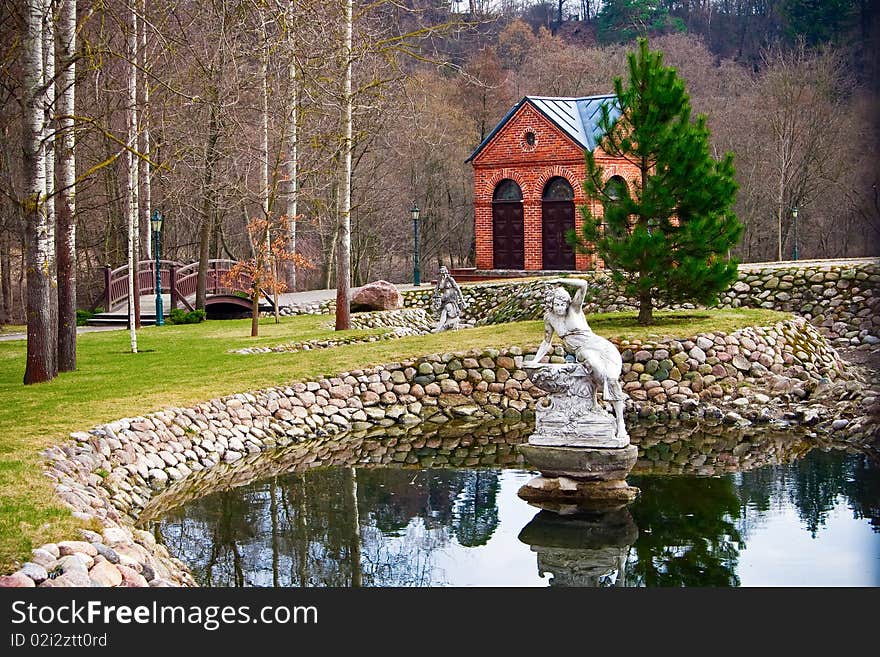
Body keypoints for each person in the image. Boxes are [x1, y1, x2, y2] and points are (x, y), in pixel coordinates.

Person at [530, 278, 629, 439]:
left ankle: (620, 423)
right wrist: (535, 361)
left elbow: (583, 284)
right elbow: (546, 342)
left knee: (611, 378)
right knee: (594, 366)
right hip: (583, 351)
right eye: (557, 305)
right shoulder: (549, 318)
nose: (560, 308)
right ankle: (593, 407)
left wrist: (560, 280)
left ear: (568, 303)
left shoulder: (574, 309)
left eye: (563, 304)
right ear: (551, 305)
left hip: (601, 346)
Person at [432, 266, 466, 332]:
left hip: (452, 298)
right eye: (441, 271)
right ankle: (443, 326)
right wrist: (436, 295)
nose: (442, 273)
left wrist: (462, 300)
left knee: (447, 310)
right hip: (444, 299)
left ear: (446, 271)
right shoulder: (439, 280)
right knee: (444, 311)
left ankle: (441, 327)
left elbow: (458, 289)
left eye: (443, 271)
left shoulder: (450, 279)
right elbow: (436, 289)